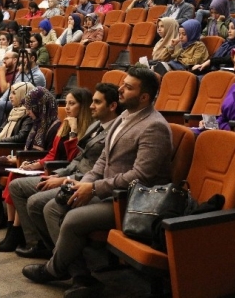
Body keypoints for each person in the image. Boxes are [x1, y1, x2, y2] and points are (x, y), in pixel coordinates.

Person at [21, 66, 172, 297]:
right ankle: (80, 275)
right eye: (123, 83)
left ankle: (54, 269)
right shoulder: (124, 116)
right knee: (44, 205)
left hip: (132, 202)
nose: (120, 89)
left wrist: (92, 188)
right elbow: (103, 160)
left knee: (69, 216)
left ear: (144, 97)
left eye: (128, 87)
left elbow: (141, 176)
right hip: (107, 190)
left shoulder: (154, 126)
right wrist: (84, 183)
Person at [11, 83, 122, 259]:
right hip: (70, 174)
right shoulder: (96, 127)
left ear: (112, 106)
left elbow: (97, 169)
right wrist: (60, 174)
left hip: (84, 182)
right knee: (16, 185)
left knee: (38, 202)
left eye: (97, 102)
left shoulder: (115, 131)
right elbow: (78, 159)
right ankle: (40, 244)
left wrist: (65, 179)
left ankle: (60, 257)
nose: (92, 106)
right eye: (92, 101)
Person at [0, 88, 94, 251]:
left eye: (72, 103)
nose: (67, 107)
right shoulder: (64, 125)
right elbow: (52, 153)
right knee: (14, 174)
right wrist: (36, 164)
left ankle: (24, 236)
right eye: (66, 103)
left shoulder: (86, 129)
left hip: (62, 171)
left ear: (83, 106)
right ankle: (15, 230)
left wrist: (74, 134)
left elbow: (74, 160)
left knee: (17, 183)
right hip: (53, 167)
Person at [0, 87, 61, 232]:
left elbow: (48, 154)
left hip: (33, 164)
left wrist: (18, 159)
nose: (28, 112)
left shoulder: (54, 126)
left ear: (39, 107)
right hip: (24, 160)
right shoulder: (37, 122)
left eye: (30, 108)